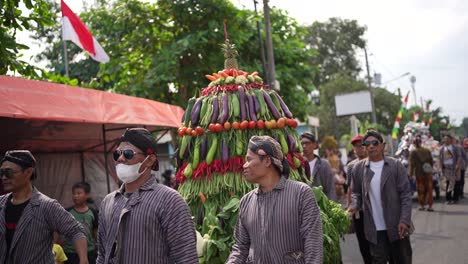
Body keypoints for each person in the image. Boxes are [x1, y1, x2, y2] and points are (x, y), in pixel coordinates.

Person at [96, 128, 198, 264]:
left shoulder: (170, 201)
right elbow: (102, 255)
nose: (120, 158)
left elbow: (186, 257)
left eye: (128, 154)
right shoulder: (108, 202)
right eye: (117, 154)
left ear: (149, 160)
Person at [226, 135, 323, 263]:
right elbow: (241, 247)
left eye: (249, 160)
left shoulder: (301, 193)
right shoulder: (246, 201)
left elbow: (313, 244)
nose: (244, 166)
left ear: (267, 161)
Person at [0, 150, 88, 263]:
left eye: (8, 173)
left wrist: (83, 259)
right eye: (1, 173)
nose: (4, 178)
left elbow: (75, 231)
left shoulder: (46, 206)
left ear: (28, 172)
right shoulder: (1, 205)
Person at [348, 130, 412, 264]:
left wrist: (404, 220)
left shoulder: (395, 165)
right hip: (373, 230)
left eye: (375, 143)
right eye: (367, 144)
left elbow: (405, 195)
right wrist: (353, 206)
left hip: (397, 226)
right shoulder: (358, 168)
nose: (371, 146)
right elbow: (356, 193)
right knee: (378, 260)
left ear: (383, 146)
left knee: (401, 260)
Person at [345, 134, 372, 264]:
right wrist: (348, 208)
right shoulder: (351, 166)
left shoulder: (374, 162)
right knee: (362, 241)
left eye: (361, 146)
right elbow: (349, 189)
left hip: (373, 209)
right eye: (356, 146)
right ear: (354, 149)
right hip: (358, 210)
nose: (359, 148)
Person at [63, 182, 98, 264]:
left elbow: (95, 232)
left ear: (87, 195)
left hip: (89, 251)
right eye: (74, 194)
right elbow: (58, 230)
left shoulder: (92, 212)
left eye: (79, 193)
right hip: (71, 252)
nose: (75, 196)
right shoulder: (67, 212)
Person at [300, 132, 337, 201]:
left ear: (314, 145)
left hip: (321, 205)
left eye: (307, 143)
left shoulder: (324, 164)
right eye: (302, 143)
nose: (304, 146)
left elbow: (330, 188)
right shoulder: (297, 165)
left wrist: (331, 206)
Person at [409, 135, 434, 211]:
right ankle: (430, 206)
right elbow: (431, 161)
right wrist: (430, 169)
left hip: (419, 173)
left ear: (414, 144)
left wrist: (410, 174)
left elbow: (412, 164)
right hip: (428, 172)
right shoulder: (427, 150)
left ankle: (422, 205)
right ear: (421, 142)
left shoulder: (413, 152)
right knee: (429, 189)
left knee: (420, 189)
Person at [439, 134, 462, 204]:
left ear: (451, 140)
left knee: (455, 183)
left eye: (447, 139)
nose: (446, 140)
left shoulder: (455, 147)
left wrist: (457, 165)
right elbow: (440, 158)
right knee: (447, 183)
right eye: (445, 139)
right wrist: (441, 167)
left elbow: (459, 157)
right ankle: (448, 198)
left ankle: (455, 198)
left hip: (454, 167)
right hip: (446, 167)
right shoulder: (442, 148)